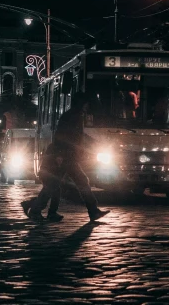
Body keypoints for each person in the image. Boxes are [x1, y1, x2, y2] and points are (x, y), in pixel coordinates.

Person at [23, 92, 109, 222]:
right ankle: (92, 211)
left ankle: (36, 209)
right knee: (65, 184)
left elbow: (76, 137)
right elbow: (61, 136)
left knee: (57, 185)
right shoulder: (72, 116)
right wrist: (59, 155)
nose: (87, 106)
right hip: (65, 156)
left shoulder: (76, 115)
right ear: (81, 103)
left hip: (68, 156)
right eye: (85, 103)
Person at [21, 144, 64, 222]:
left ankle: (33, 206)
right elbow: (57, 161)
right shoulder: (58, 147)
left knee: (54, 192)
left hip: (49, 173)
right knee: (47, 194)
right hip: (49, 174)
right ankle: (35, 211)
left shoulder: (56, 146)